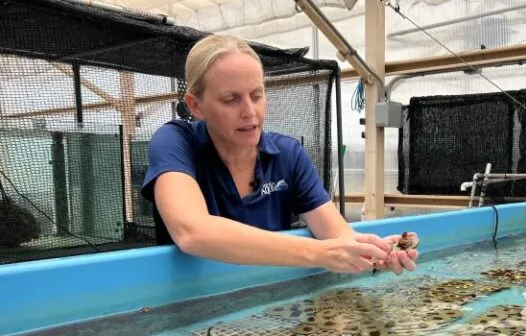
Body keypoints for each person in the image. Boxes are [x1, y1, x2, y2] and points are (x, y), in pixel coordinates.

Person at [140, 34, 418, 275]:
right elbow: (192, 232)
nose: (250, 111)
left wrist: (374, 253)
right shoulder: (175, 142)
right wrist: (319, 254)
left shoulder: (288, 154)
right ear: (196, 106)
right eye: (231, 99)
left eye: (257, 95)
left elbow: (337, 235)